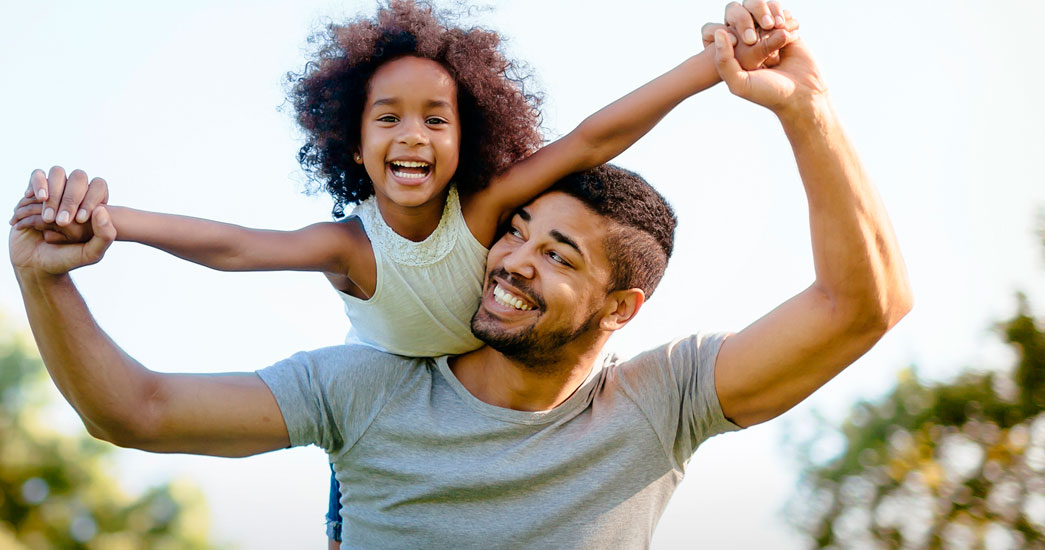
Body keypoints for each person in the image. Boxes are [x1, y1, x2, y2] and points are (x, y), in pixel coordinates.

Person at [10, 2, 912, 547]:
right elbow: (133, 410)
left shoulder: (658, 404)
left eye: (557, 254)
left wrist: (805, 107)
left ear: (622, 308)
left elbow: (862, 304)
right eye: (518, 231)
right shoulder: (363, 389)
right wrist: (48, 276)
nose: (512, 257)